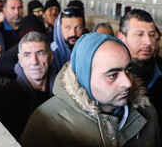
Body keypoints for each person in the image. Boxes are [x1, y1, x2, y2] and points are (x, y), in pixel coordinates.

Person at [19, 33, 161, 147]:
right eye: (112, 75)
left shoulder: (146, 111)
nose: (128, 83)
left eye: (128, 70)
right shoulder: (47, 122)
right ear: (84, 77)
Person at [0, 31, 56, 140]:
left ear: (51, 56)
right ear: (20, 60)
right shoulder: (2, 100)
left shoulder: (65, 94)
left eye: (40, 53)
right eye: (27, 55)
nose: (34, 61)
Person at [117, 8, 162, 128]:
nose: (148, 42)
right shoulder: (111, 78)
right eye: (139, 34)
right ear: (122, 38)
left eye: (152, 35)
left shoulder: (160, 73)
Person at [51, 6, 85, 73]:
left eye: (78, 27)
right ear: (59, 28)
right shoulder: (51, 53)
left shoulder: (86, 50)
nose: (73, 33)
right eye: (67, 27)